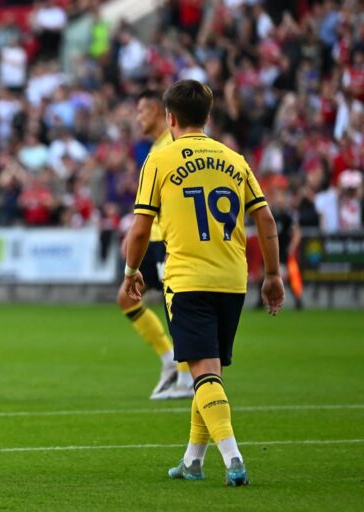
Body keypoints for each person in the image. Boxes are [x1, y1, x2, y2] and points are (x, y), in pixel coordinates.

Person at [121, 80, 284, 486]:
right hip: (232, 280)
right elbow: (265, 219)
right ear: (207, 116)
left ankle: (234, 459)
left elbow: (141, 228)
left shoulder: (160, 159)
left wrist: (130, 273)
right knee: (209, 371)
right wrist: (274, 274)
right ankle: (192, 461)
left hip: (188, 279)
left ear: (170, 118)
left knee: (204, 371)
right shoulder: (234, 158)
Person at [118, 90, 194, 400]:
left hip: (168, 241)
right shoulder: (155, 148)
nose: (138, 117)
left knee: (177, 307)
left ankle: (188, 380)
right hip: (151, 238)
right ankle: (169, 360)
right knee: (127, 298)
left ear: (160, 113)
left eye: (142, 111)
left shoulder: (173, 145)